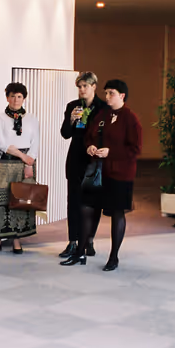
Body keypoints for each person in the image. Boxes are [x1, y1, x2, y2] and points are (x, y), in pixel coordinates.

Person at [61, 79, 142, 271]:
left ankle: (113, 257)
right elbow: (89, 134)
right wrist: (90, 146)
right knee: (87, 207)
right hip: (98, 171)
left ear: (122, 95)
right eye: (106, 93)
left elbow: (135, 149)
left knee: (117, 213)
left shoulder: (130, 118)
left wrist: (110, 152)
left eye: (111, 93)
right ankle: (80, 251)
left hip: (120, 174)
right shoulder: (103, 114)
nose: (107, 97)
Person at [59, 72, 106, 259]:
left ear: (94, 86)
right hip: (76, 158)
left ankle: (89, 240)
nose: (81, 90)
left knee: (93, 202)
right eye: (79, 86)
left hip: (94, 159)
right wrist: (71, 119)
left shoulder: (103, 108)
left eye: (85, 86)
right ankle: (73, 241)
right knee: (74, 201)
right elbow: (65, 133)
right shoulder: (73, 106)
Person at [0, 82, 40, 254]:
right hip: (5, 162)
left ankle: (16, 239)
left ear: (24, 98)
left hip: (26, 163)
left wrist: (29, 162)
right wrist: (23, 156)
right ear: (7, 97)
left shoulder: (32, 118)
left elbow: (36, 142)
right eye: (12, 96)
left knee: (19, 200)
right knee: (1, 200)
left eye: (19, 96)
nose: (16, 100)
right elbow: (0, 143)